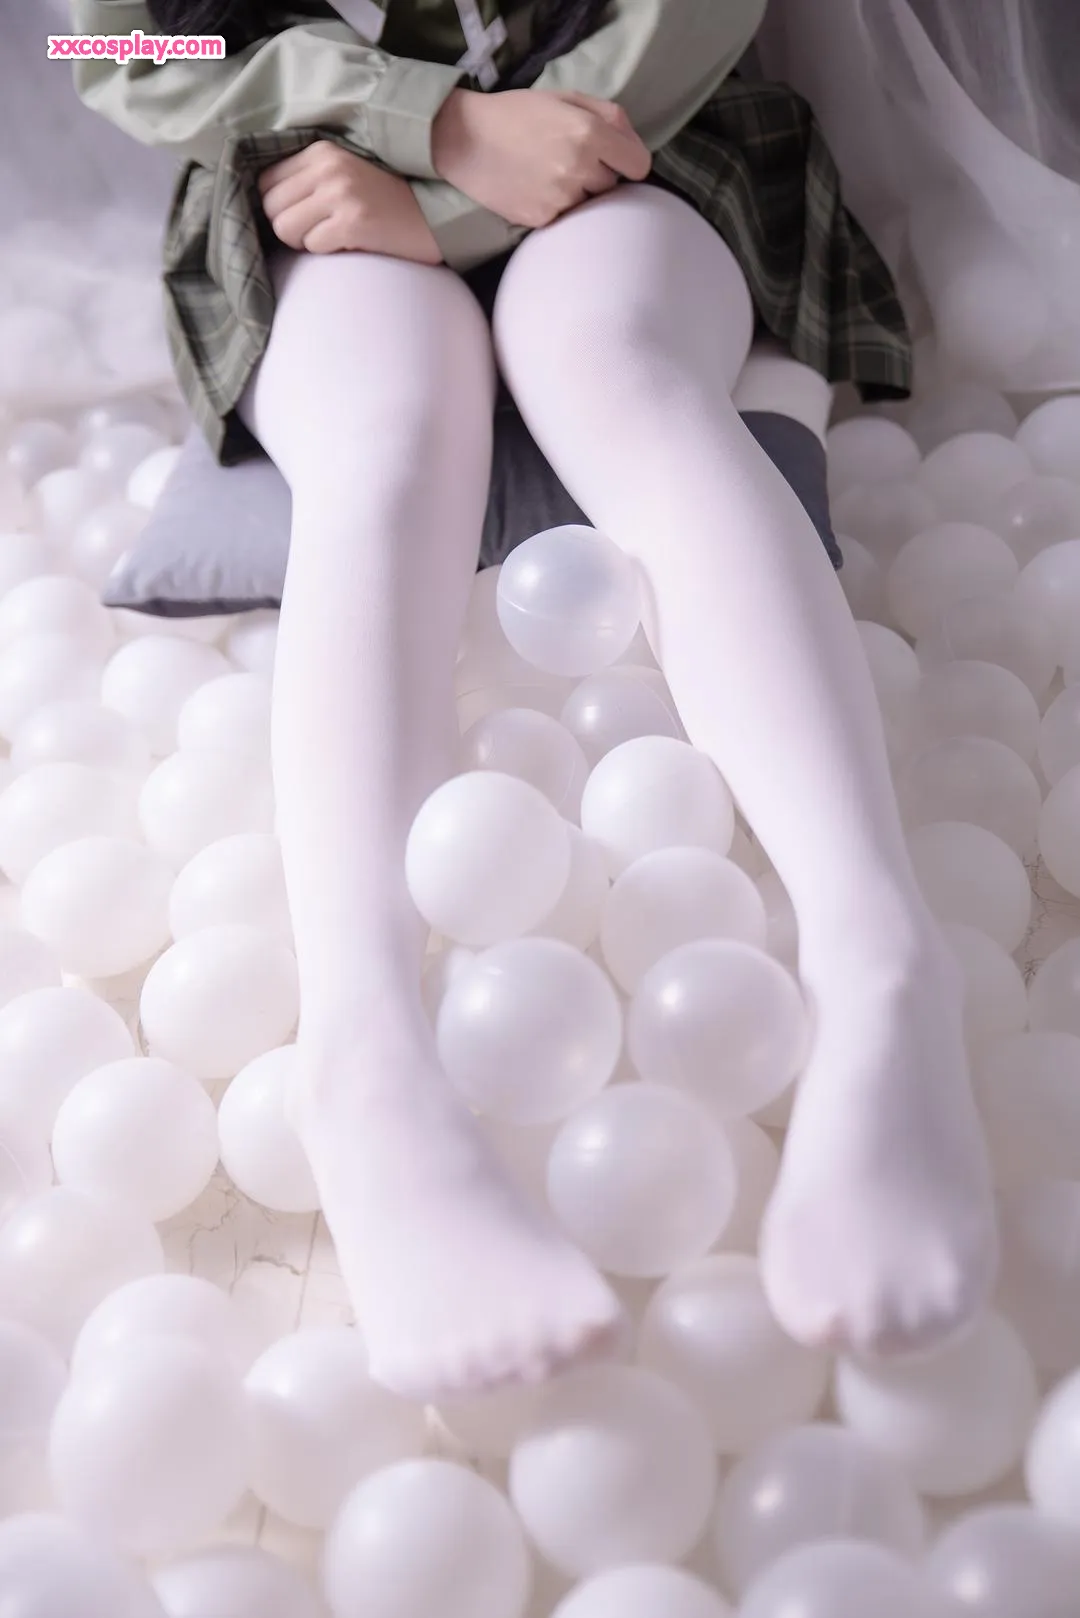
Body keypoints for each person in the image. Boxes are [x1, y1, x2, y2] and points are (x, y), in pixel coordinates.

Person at [71, 0, 998, 1404]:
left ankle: (882, 964)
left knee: (611, 360)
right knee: (386, 425)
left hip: (634, 122)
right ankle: (364, 1057)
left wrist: (461, 192)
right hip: (319, 170)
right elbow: (110, 46)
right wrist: (428, 128)